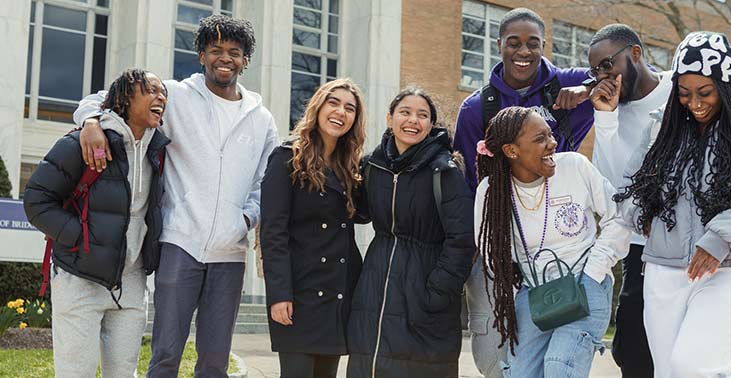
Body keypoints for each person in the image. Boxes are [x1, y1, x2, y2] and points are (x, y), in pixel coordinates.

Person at [73, 15, 279, 377]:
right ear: (201, 55)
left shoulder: (261, 118)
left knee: (215, 361)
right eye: (216, 50)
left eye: (234, 51)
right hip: (179, 243)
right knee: (166, 354)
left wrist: (246, 218)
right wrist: (91, 121)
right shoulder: (174, 96)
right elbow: (105, 98)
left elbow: (268, 180)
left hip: (230, 254)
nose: (225, 58)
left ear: (246, 60)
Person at [585, 24, 731, 378]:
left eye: (705, 92)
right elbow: (628, 187)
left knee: (692, 367)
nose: (694, 104)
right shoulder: (663, 125)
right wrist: (640, 211)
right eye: (684, 93)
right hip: (665, 265)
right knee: (667, 372)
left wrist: (721, 237)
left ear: (724, 84)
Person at [452, 9, 594, 376]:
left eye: (533, 43)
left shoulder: (569, 87)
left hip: (554, 245)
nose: (523, 51)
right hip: (496, 245)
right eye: (513, 42)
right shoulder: (475, 109)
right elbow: (467, 186)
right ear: (499, 45)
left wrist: (588, 89)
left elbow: (630, 77)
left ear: (544, 46)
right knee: (491, 351)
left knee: (553, 352)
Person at [24, 69, 169, 378]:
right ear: (126, 99)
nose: (162, 97)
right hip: (80, 276)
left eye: (163, 93)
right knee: (76, 372)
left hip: (131, 282)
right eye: (152, 90)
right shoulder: (83, 142)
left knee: (123, 373)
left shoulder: (159, 150)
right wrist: (82, 239)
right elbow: (36, 200)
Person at [474, 106, 629, 378]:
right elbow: (492, 254)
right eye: (540, 139)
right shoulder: (491, 191)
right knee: (520, 374)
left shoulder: (574, 166)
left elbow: (618, 219)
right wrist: (519, 281)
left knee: (560, 367)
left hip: (586, 283)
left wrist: (594, 272)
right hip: (536, 294)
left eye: (550, 135)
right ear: (512, 151)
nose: (552, 143)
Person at [345, 88, 475, 377]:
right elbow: (359, 213)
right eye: (405, 112)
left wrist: (437, 292)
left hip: (424, 288)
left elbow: (463, 240)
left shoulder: (444, 171)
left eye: (422, 115)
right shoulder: (371, 165)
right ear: (390, 118)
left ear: (431, 125)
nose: (412, 120)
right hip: (374, 288)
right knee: (369, 364)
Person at [260, 78, 366, 377]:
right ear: (318, 107)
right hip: (299, 293)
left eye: (349, 108)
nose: (341, 112)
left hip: (337, 291)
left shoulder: (350, 168)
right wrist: (279, 294)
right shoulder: (286, 158)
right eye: (334, 103)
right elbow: (273, 232)